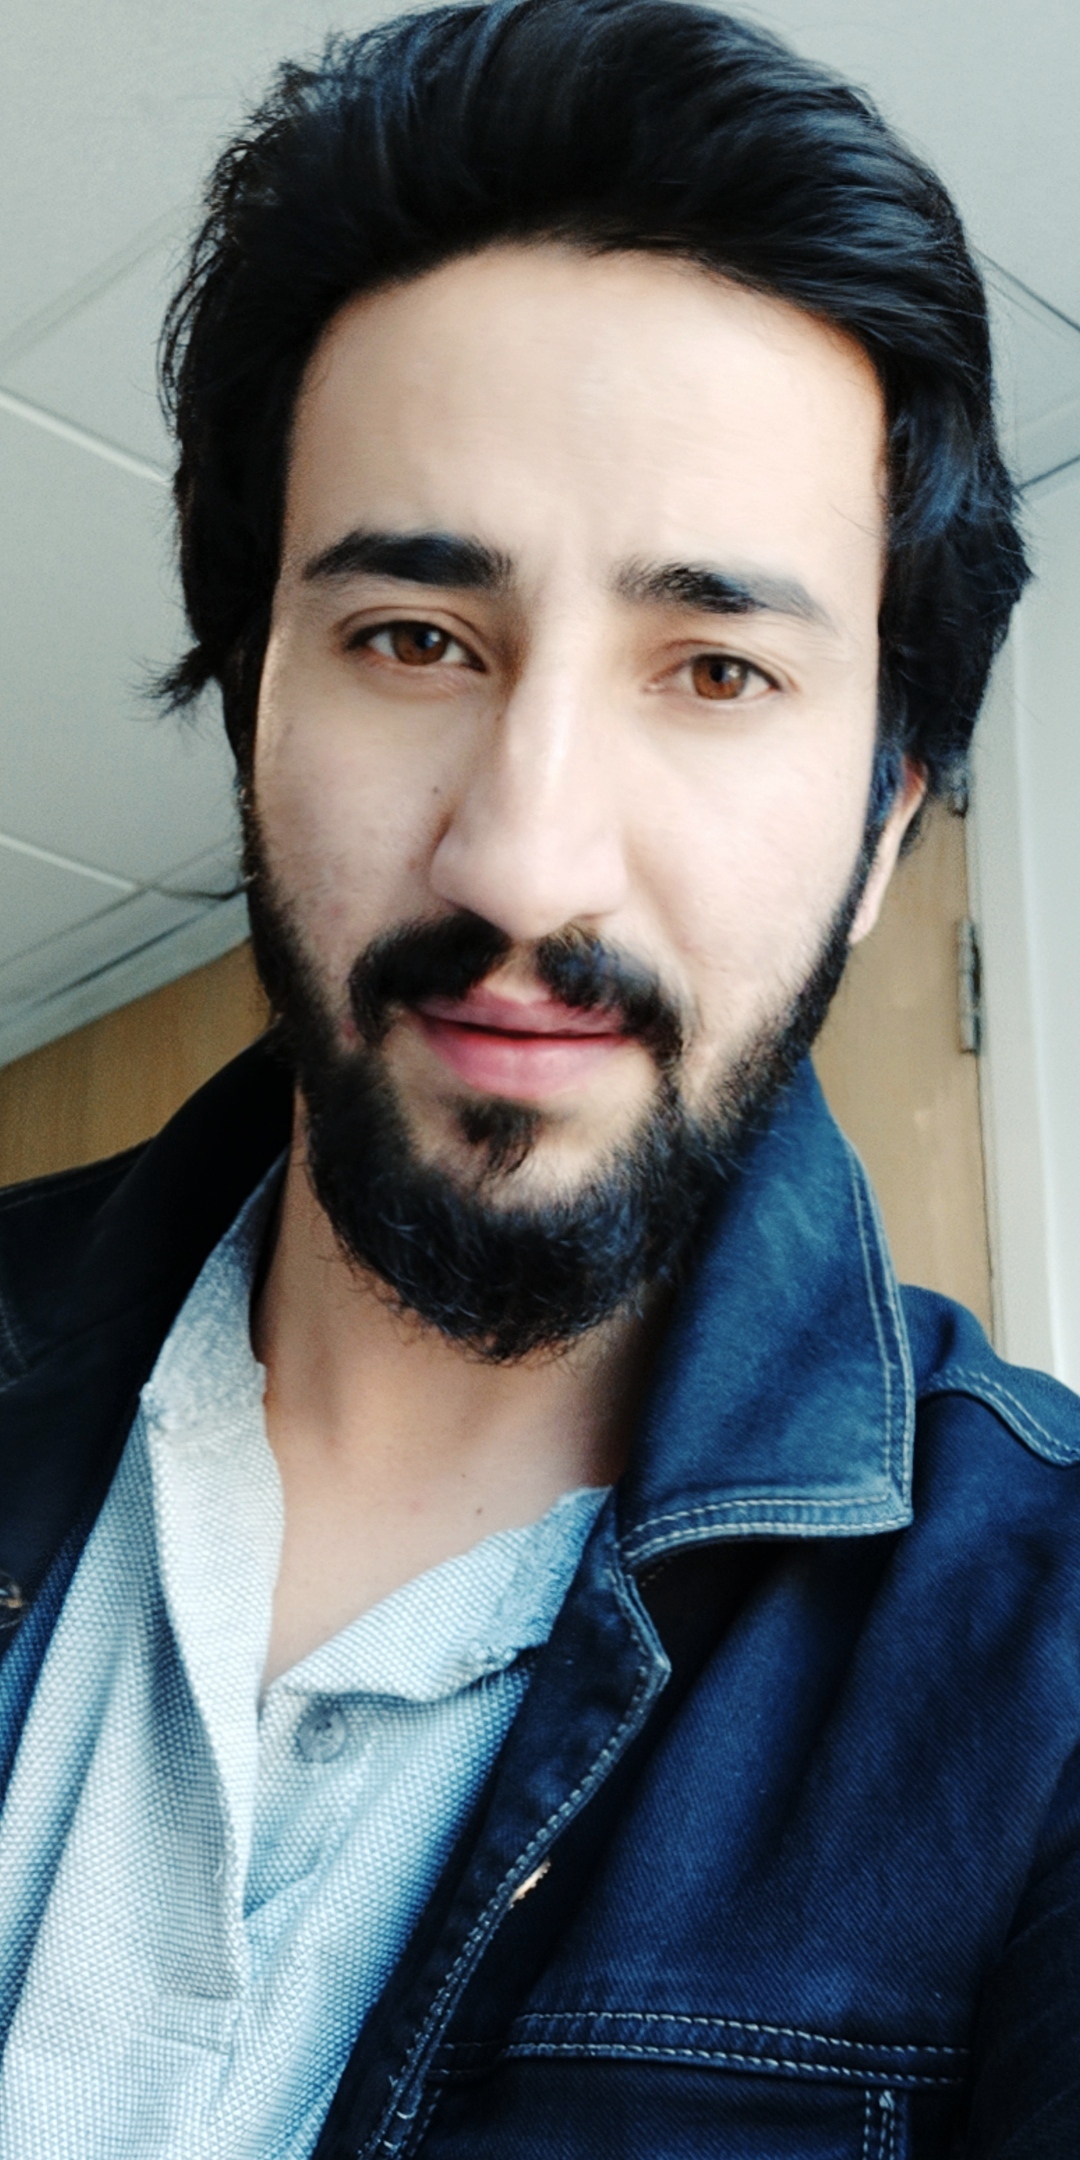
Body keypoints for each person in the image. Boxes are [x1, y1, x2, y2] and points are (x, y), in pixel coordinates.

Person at [0, 1, 1074, 2152]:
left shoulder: (1044, 1674)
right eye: (415, 640)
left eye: (716, 670)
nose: (522, 858)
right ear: (252, 706)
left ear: (883, 829)